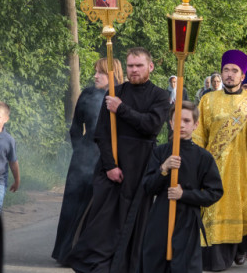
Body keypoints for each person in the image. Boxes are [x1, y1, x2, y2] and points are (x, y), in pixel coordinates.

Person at [66, 47, 171, 273]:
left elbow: (150, 126)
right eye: (130, 66)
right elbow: (101, 134)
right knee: (101, 221)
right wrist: (110, 166)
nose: (134, 70)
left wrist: (121, 108)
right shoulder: (114, 91)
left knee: (134, 219)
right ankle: (99, 266)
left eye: (139, 66)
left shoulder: (160, 96)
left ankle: (127, 266)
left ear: (150, 67)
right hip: (111, 166)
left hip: (141, 164)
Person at [193, 50, 247, 270]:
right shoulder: (207, 100)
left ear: (243, 76)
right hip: (214, 167)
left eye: (234, 71)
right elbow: (199, 134)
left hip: (243, 167)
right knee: (213, 208)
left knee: (242, 209)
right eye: (226, 70)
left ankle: (241, 248)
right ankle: (214, 258)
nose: (229, 75)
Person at [139, 101, 223, 273]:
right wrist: (163, 169)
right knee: (154, 264)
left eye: (186, 121)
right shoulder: (160, 152)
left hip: (187, 220)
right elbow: (147, 187)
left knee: (184, 267)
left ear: (195, 125)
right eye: (177, 121)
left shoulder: (203, 157)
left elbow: (214, 192)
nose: (181, 125)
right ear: (170, 123)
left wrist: (184, 194)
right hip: (160, 217)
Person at [52, 58, 123, 264]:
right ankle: (65, 251)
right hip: (84, 156)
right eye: (95, 72)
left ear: (112, 73)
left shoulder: (122, 96)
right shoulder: (88, 94)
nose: (95, 76)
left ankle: (89, 252)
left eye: (100, 72)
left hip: (109, 158)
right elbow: (75, 128)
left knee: (98, 206)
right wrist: (81, 151)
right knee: (73, 202)